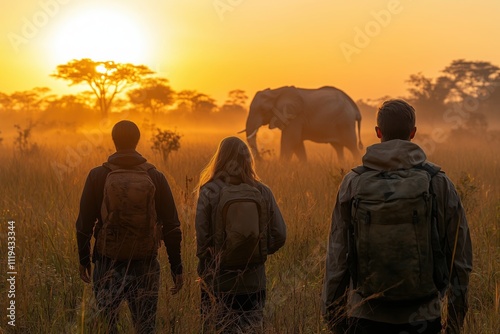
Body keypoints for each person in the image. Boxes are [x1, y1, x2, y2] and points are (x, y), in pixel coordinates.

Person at [321, 99, 473, 334]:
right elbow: (460, 259)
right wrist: (454, 323)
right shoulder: (438, 181)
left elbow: (337, 256)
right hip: (423, 316)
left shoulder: (352, 182)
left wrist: (333, 316)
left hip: (365, 314)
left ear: (378, 132)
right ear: (413, 133)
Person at [76, 120, 183, 333]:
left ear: (113, 141)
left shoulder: (97, 175)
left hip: (108, 264)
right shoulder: (155, 176)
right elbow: (172, 226)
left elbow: (84, 224)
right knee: (145, 328)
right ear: (138, 141)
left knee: (107, 326)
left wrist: (84, 260)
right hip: (145, 265)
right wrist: (176, 268)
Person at [195, 136, 287, 333]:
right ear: (248, 159)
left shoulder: (208, 191)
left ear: (220, 158)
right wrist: (258, 249)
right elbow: (280, 234)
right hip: (253, 282)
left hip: (217, 283)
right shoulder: (262, 191)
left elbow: (202, 241)